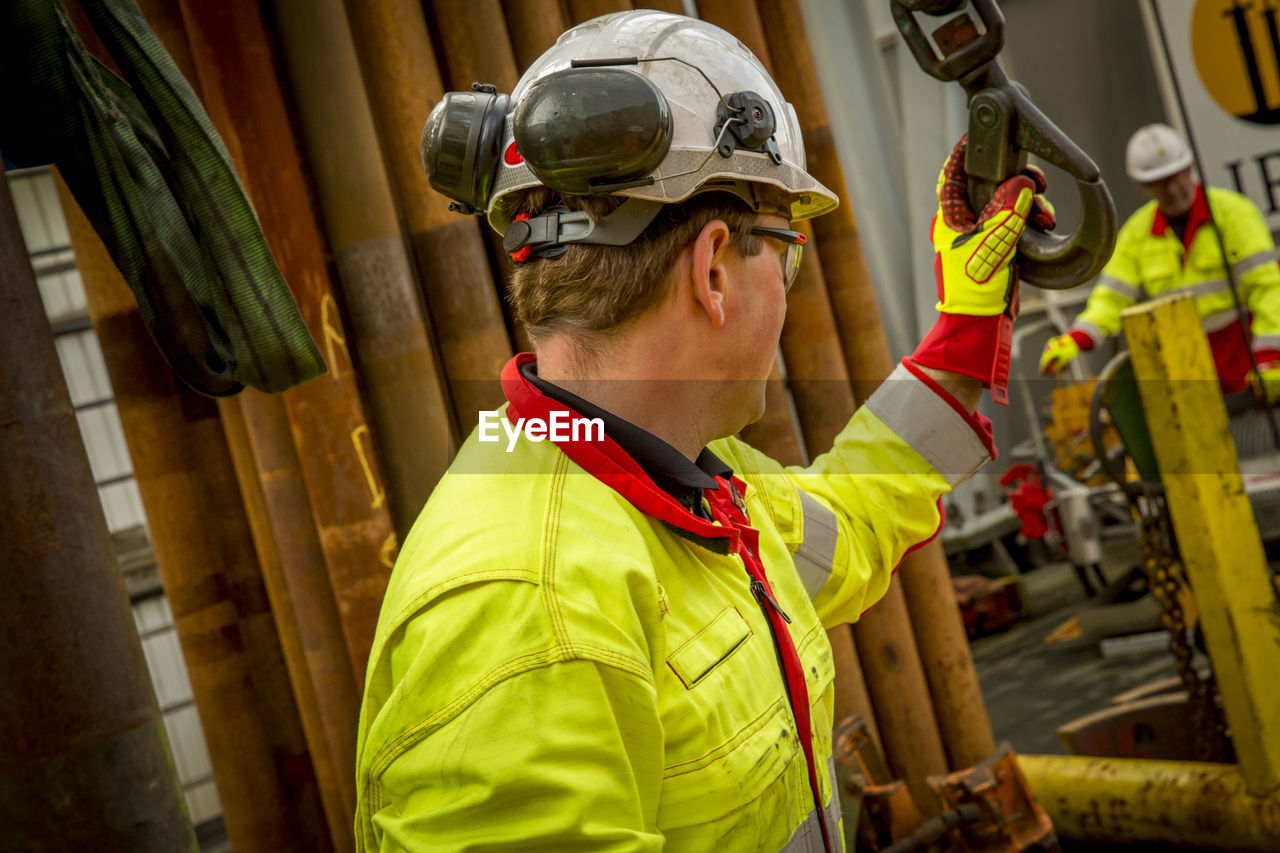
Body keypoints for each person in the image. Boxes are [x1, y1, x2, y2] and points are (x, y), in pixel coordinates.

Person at [354, 11, 1050, 852]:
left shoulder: (682, 486)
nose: (787, 290)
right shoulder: (528, 607)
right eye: (786, 249)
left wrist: (963, 337)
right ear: (714, 267)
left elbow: (848, 517)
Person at [1040, 123, 1280, 392]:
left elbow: (1269, 290)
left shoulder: (1235, 214)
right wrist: (1077, 337)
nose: (1174, 190)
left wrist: (1271, 359)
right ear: (1143, 186)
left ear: (1189, 169)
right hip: (1187, 372)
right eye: (1160, 184)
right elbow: (1110, 299)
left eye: (1177, 177)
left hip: (1246, 361)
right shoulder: (1137, 234)